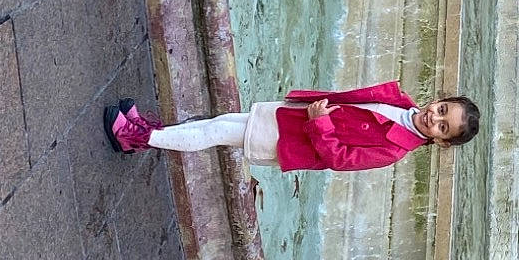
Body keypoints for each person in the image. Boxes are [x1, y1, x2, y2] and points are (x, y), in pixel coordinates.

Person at [104, 82, 479, 171]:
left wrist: (320, 124)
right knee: (220, 122)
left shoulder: (394, 150)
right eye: (442, 109)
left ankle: (139, 136)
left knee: (215, 134)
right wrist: (312, 110)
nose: (435, 117)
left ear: (441, 142)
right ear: (439, 99)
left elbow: (338, 159)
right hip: (293, 118)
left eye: (443, 127)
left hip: (292, 139)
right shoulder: (401, 102)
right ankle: (149, 133)